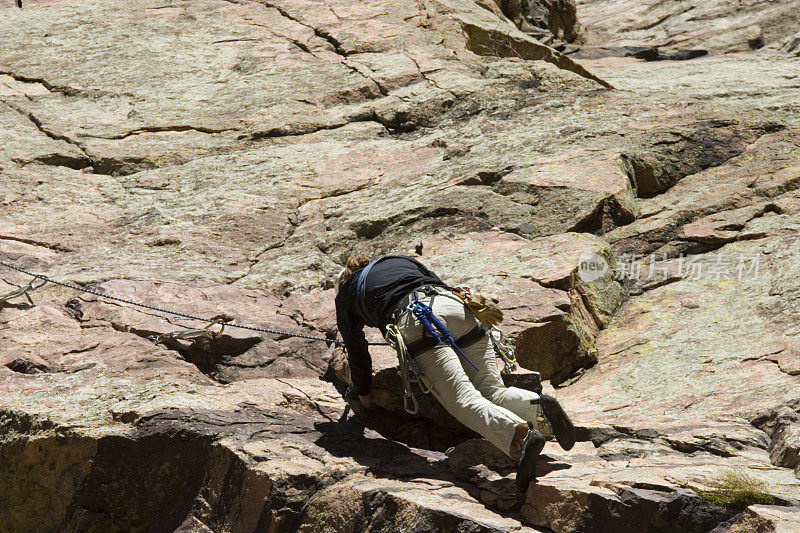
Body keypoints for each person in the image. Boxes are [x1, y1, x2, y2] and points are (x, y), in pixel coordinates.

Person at [334, 254, 575, 491]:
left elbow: (356, 349)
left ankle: (521, 437)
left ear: (346, 279)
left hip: (420, 320)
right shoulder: (399, 260)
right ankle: (539, 408)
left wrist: (364, 393)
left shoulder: (347, 292)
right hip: (456, 307)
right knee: (491, 389)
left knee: (463, 399)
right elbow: (437, 282)